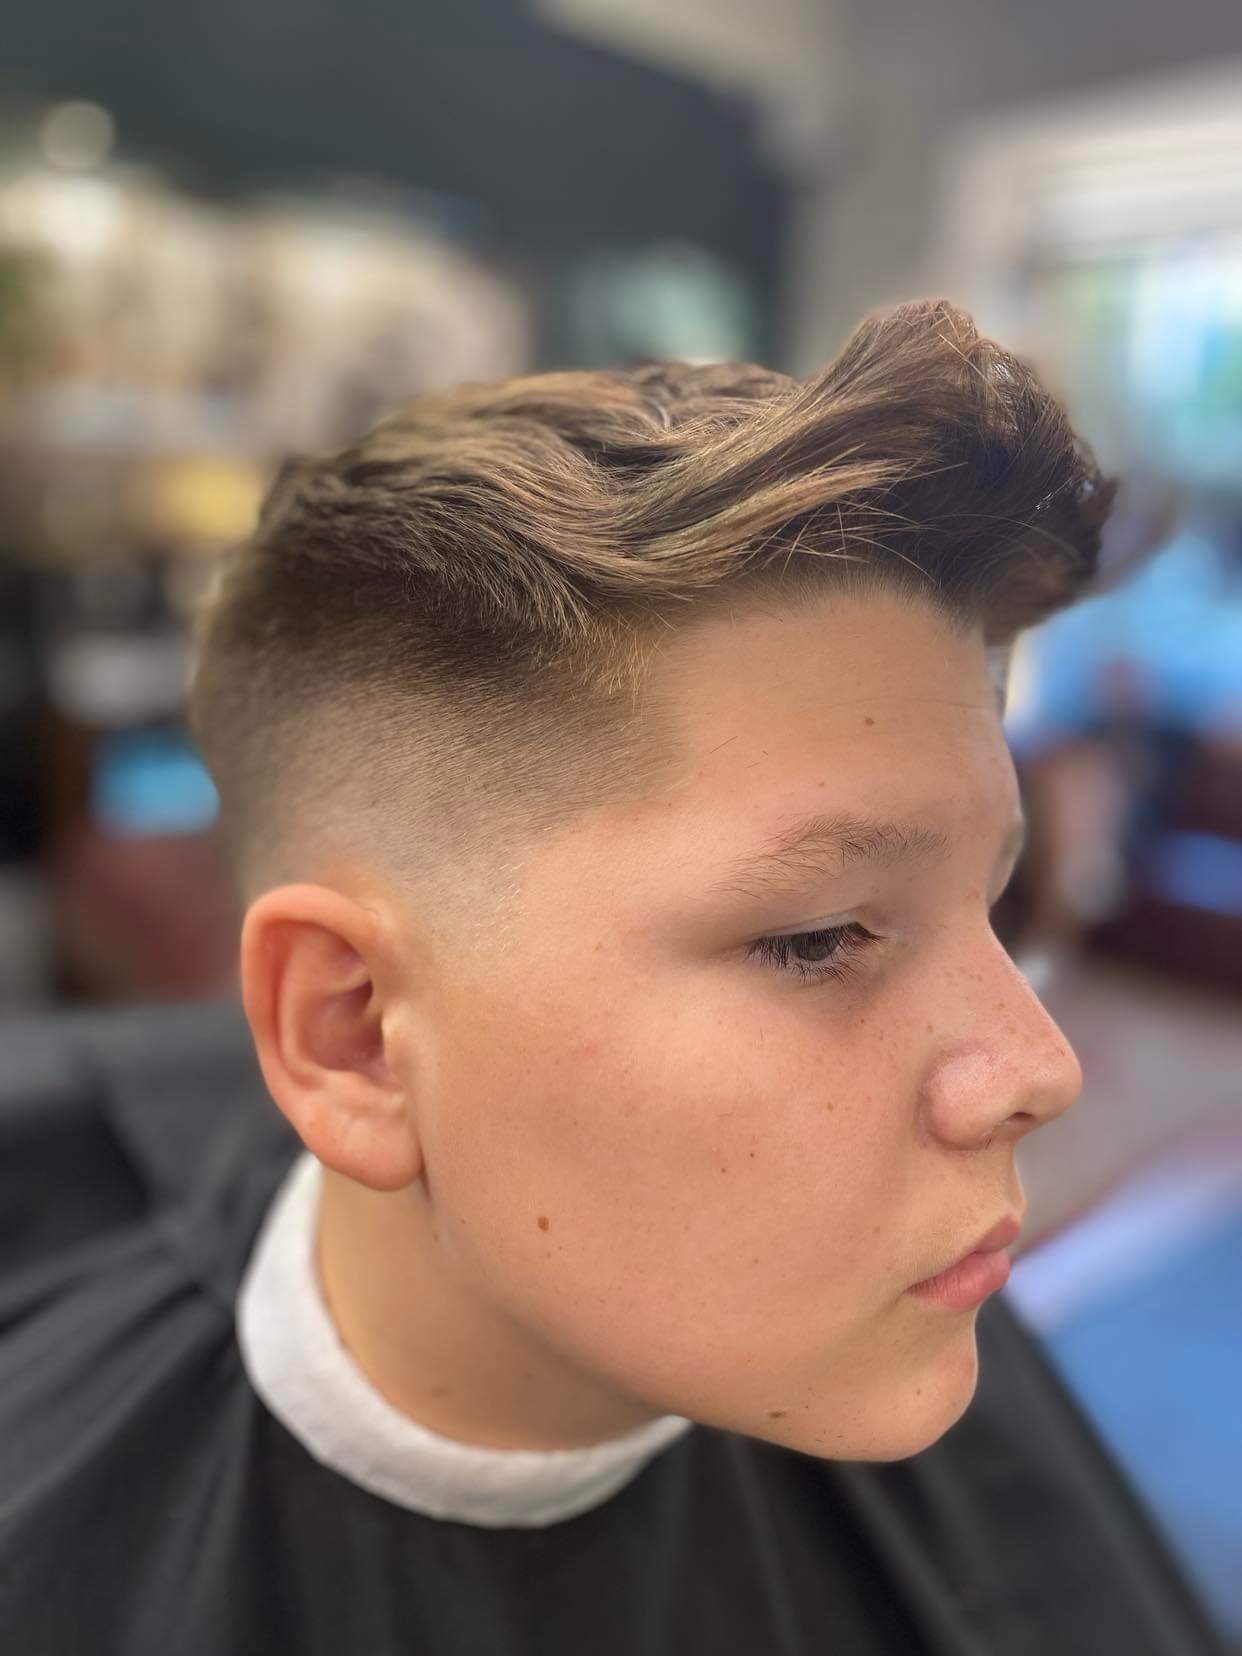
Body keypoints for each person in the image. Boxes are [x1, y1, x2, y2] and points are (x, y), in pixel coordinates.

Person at [0, 299, 1229, 1654]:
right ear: (353, 1035)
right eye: (818, 938)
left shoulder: (919, 1344)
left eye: (988, 904)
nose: (1040, 1069)